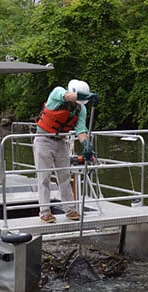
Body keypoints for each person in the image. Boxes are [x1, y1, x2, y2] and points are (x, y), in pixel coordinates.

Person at [34, 79, 99, 223]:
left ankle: (70, 210)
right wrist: (85, 97)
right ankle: (45, 212)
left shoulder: (81, 109)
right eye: (79, 100)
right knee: (44, 177)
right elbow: (68, 96)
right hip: (43, 139)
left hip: (61, 141)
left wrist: (87, 145)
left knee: (64, 176)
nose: (78, 104)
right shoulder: (58, 93)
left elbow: (81, 129)